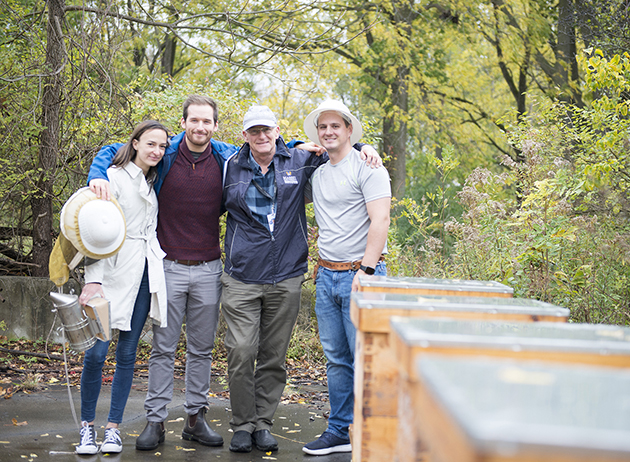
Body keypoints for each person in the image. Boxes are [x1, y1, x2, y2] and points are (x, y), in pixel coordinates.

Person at [86, 96, 336, 451]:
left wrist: (305, 144)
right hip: (168, 265)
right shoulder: (167, 152)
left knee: (202, 350)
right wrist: (97, 174)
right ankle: (155, 420)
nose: (200, 127)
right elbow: (118, 147)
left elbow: (280, 149)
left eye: (207, 122)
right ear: (184, 122)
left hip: (210, 267)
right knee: (163, 347)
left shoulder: (224, 156)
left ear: (216, 126)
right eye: (194, 121)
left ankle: (195, 417)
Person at [221, 105, 382, 454]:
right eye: (254, 131)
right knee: (241, 350)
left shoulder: (299, 160)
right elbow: (187, 151)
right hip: (242, 276)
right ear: (244, 135)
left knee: (274, 356)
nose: (262, 136)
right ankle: (242, 423)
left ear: (277, 130)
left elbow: (337, 150)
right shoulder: (228, 165)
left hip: (287, 275)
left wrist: (363, 148)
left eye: (267, 130)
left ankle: (263, 423)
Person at [301, 100, 391, 456]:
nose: (328, 132)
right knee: (336, 358)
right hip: (327, 275)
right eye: (323, 127)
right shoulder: (319, 172)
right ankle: (339, 430)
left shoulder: (369, 167)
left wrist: (367, 270)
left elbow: (381, 220)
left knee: (366, 357)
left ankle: (372, 431)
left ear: (349, 130)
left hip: (362, 274)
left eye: (336, 126)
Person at [76, 120, 169, 455]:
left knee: (128, 354)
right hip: (111, 270)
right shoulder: (112, 178)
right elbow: (95, 231)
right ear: (136, 143)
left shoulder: (152, 180)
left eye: (162, 146)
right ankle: (87, 428)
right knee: (97, 352)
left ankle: (113, 428)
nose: (157, 151)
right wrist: (94, 279)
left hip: (144, 273)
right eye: (151, 144)